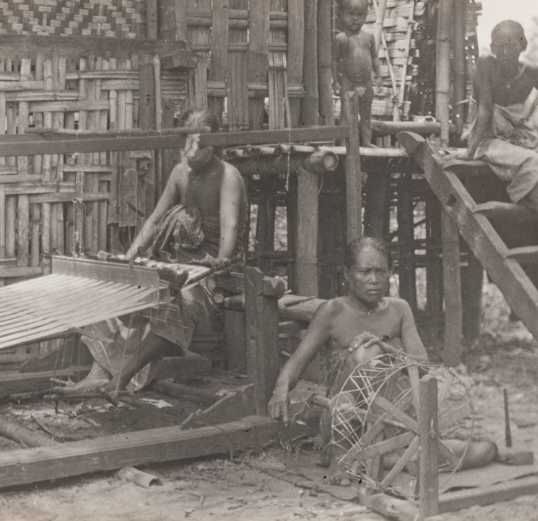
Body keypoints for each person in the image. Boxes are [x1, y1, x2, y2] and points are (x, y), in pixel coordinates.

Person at [61, 110, 247, 393]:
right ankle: (98, 374)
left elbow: (229, 226)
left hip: (216, 266)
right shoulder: (180, 173)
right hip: (178, 262)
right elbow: (155, 221)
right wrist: (131, 257)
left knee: (179, 302)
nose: (189, 151)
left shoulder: (228, 176)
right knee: (116, 287)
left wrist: (218, 265)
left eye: (197, 145)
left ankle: (121, 377)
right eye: (186, 143)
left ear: (214, 146)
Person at [458, 20, 538, 249]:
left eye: (511, 45)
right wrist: (470, 151)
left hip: (519, 137)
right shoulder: (486, 64)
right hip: (487, 138)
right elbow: (485, 110)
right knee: (532, 161)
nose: (505, 52)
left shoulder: (531, 72)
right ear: (492, 47)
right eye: (499, 46)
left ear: (523, 45)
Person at [268, 237, 426, 425]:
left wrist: (387, 350)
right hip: (344, 418)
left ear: (390, 272)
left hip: (396, 415)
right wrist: (281, 389)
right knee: (367, 352)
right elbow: (296, 364)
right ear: (347, 274)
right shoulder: (332, 312)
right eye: (364, 272)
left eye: (381, 271)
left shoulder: (400, 309)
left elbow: (424, 369)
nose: (374, 280)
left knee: (466, 450)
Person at [334, 0, 383, 148]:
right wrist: (335, 81)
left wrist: (379, 75)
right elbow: (334, 61)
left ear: (366, 16)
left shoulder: (369, 37)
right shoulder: (340, 38)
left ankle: (366, 141)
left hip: (366, 82)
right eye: (351, 14)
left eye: (360, 15)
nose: (355, 18)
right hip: (348, 81)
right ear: (342, 15)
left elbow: (374, 58)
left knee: (366, 114)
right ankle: (343, 142)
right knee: (346, 114)